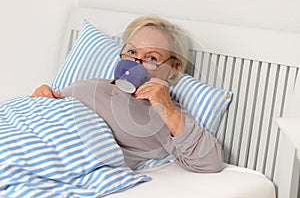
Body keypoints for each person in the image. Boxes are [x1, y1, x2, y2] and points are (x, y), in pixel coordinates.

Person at [32, 15, 223, 173]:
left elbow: (210, 161)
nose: (135, 62)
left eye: (151, 58)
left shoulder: (163, 114)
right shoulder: (97, 83)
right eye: (131, 51)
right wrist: (39, 100)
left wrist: (167, 109)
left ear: (173, 68)